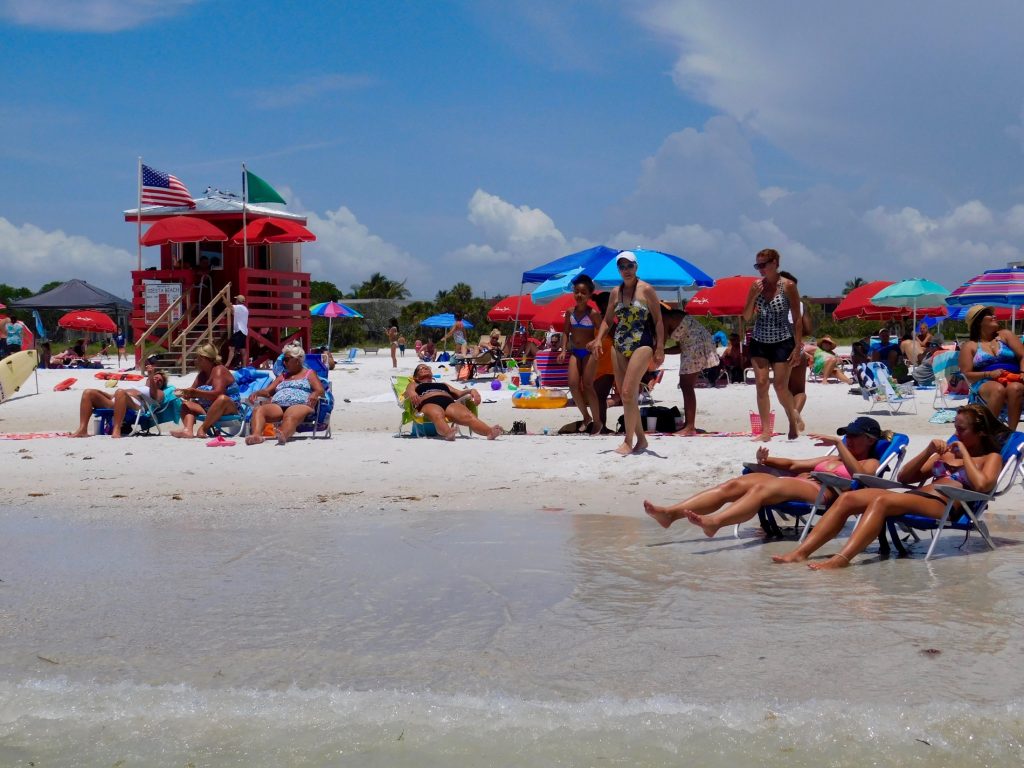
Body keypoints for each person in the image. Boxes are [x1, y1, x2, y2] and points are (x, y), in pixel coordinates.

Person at [772, 405, 1008, 569]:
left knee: (881, 501)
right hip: (918, 497)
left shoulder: (991, 458)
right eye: (954, 428)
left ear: (981, 432)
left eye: (961, 430)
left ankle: (842, 558)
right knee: (850, 499)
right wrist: (928, 452)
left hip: (945, 505)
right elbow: (906, 477)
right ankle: (800, 552)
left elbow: (983, 485)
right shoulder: (947, 454)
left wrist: (964, 454)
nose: (954, 434)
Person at [643, 416, 885, 534]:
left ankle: (715, 523)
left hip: (822, 493)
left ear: (870, 440)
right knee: (735, 484)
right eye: (847, 436)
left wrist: (838, 444)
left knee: (760, 490)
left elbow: (859, 476)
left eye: (853, 436)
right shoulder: (832, 459)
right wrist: (767, 460)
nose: (848, 439)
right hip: (795, 483)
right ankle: (670, 514)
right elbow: (791, 464)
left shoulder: (871, 462)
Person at [588, 250, 665, 455]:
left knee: (628, 392)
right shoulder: (615, 292)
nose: (626, 270)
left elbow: (658, 320)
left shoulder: (646, 290)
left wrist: (660, 349)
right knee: (626, 396)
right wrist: (598, 340)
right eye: (622, 267)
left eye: (629, 266)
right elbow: (607, 320)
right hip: (619, 343)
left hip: (642, 342)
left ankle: (628, 441)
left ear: (636, 267)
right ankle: (641, 439)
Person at [742, 248, 803, 441]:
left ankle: (792, 419)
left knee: (780, 387)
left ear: (775, 263)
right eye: (757, 265)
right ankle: (766, 431)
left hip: (782, 340)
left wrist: (797, 346)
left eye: (763, 265)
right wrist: (751, 296)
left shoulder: (789, 286)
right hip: (759, 339)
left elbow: (797, 317)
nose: (760, 269)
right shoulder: (756, 286)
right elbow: (746, 316)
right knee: (761, 384)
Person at [958, 304, 1024, 430]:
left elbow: (1023, 355)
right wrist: (988, 374)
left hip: (1013, 377)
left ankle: (1010, 433)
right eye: (989, 314)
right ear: (978, 322)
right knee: (997, 389)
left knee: (1016, 388)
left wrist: (1023, 371)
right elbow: (966, 374)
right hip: (985, 381)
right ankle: (990, 432)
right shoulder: (970, 346)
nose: (994, 316)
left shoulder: (1005, 335)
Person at [246, 344, 325, 445]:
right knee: (259, 410)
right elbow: (267, 391)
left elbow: (320, 390)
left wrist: (315, 394)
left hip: (300, 404)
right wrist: (256, 393)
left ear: (297, 360)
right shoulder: (283, 376)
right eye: (283, 359)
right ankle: (256, 435)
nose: (284, 362)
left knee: (290, 415)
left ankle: (283, 433)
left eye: (287, 359)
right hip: (278, 405)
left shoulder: (309, 373)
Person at [404, 363, 502, 439]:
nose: (425, 369)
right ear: (416, 377)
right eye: (422, 368)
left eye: (427, 368)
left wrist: (472, 390)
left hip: (448, 402)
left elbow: (459, 393)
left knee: (468, 416)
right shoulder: (415, 384)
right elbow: (409, 392)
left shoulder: (443, 384)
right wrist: (412, 394)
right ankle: (448, 432)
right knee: (438, 415)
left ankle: (489, 432)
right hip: (428, 402)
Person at [662, 307, 719, 436]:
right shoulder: (674, 317)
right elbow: (680, 347)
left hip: (695, 344)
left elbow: (661, 344)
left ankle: (689, 426)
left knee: (686, 386)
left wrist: (657, 351)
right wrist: (663, 352)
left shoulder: (663, 319)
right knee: (687, 386)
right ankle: (689, 424)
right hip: (698, 342)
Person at [70, 368, 171, 439]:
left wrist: (151, 375)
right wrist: (100, 394)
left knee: (120, 392)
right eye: (155, 377)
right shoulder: (137, 387)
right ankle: (82, 429)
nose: (157, 380)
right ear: (148, 379)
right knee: (88, 392)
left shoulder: (159, 392)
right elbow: (113, 396)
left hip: (136, 407)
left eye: (160, 381)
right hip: (116, 401)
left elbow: (154, 396)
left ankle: (116, 429)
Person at [559, 274, 603, 434]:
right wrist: (563, 349)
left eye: (583, 292)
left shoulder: (593, 314)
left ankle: (597, 421)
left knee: (588, 385)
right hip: (575, 352)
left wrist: (596, 340)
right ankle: (586, 416)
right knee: (572, 385)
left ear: (590, 295)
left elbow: (603, 331)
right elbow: (565, 332)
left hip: (590, 353)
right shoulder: (570, 312)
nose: (579, 295)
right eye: (576, 292)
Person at [171, 343, 240, 439]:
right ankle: (188, 430)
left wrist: (195, 393)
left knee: (222, 398)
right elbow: (191, 393)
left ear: (207, 359)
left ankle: (203, 428)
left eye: (199, 358)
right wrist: (183, 393)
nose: (197, 361)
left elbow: (218, 394)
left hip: (228, 408)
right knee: (186, 404)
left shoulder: (219, 370)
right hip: (208, 409)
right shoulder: (202, 375)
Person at [780, 271, 813, 414]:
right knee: (799, 390)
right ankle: (795, 416)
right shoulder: (799, 305)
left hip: (779, 349)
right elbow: (808, 329)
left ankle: (792, 419)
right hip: (796, 348)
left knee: (784, 389)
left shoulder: (771, 303)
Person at [225, 295, 249, 369]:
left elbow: (229, 306)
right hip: (244, 331)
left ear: (238, 301)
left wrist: (223, 296)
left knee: (231, 348)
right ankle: (244, 366)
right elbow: (235, 313)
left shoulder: (238, 307)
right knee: (242, 349)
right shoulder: (245, 309)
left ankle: (227, 365)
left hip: (239, 330)